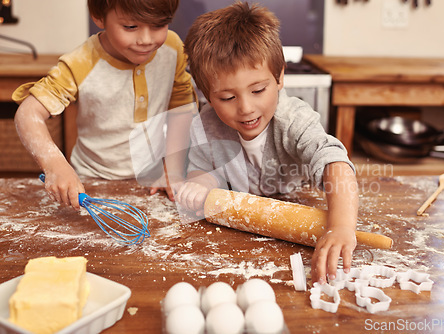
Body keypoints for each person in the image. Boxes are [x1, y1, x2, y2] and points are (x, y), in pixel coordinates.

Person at [176, 1, 359, 284]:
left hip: (292, 221)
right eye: (227, 98)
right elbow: (202, 171)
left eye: (258, 90)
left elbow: (334, 162)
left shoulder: (293, 120)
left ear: (280, 77)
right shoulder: (206, 124)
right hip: (237, 234)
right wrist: (200, 186)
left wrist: (342, 226)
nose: (246, 108)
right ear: (207, 96)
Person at [13, 0, 196, 211]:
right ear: (99, 17)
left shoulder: (173, 48)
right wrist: (55, 165)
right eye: (130, 27)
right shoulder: (81, 62)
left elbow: (180, 109)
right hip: (93, 181)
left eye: (158, 25)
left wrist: (172, 171)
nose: (146, 39)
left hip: (153, 182)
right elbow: (28, 113)